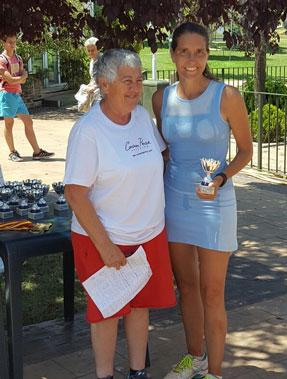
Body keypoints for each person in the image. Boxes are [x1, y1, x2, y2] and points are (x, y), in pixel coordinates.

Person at [64, 49, 176, 379]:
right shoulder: (89, 131)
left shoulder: (140, 116)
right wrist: (106, 247)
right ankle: (105, 375)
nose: (135, 88)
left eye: (138, 81)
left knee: (140, 306)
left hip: (148, 234)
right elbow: (75, 193)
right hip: (104, 239)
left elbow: (161, 154)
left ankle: (138, 371)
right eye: (127, 81)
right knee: (107, 312)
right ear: (104, 84)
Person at [152, 22, 253, 379]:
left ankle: (214, 372)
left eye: (199, 52)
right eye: (184, 52)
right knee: (187, 288)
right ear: (173, 54)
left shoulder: (227, 97)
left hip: (215, 205)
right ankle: (193, 358)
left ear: (207, 55)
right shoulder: (161, 98)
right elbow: (164, 153)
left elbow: (245, 151)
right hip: (175, 203)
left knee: (213, 292)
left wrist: (222, 178)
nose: (191, 59)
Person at [0, 33, 54, 162]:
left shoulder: (18, 58)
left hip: (17, 95)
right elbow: (11, 79)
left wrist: (18, 79)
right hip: (6, 95)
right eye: (10, 42)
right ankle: (12, 152)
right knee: (9, 124)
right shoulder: (2, 60)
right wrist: (19, 78)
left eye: (14, 42)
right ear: (3, 43)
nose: (13, 45)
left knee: (28, 122)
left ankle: (37, 152)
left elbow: (22, 79)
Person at [75, 36, 101, 112]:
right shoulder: (92, 61)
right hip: (95, 88)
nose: (90, 53)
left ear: (98, 49)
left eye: (92, 50)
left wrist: (94, 87)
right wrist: (89, 86)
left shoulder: (102, 60)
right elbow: (93, 78)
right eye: (88, 50)